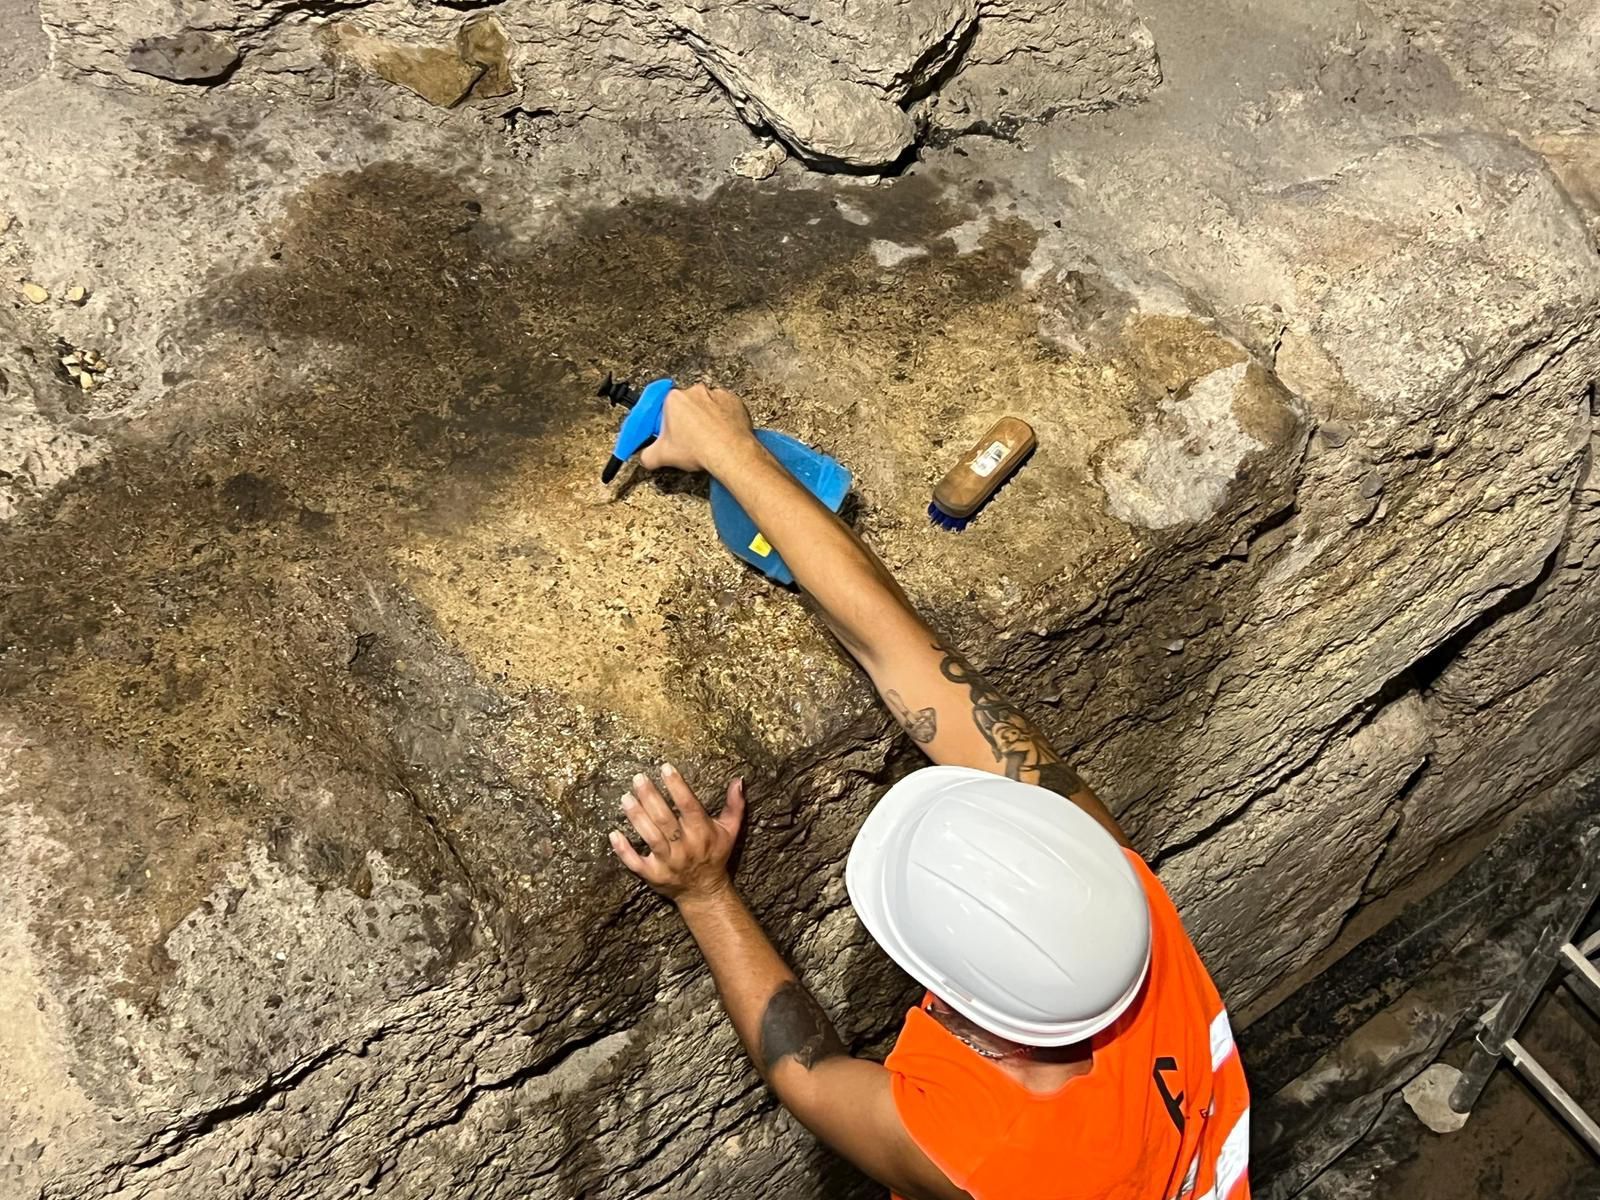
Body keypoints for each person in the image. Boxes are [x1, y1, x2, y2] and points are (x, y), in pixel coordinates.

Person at [608, 384, 1251, 1200]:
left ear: (958, 1003)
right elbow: (908, 661)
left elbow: (807, 1073)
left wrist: (703, 893)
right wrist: (736, 453)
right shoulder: (1124, 907)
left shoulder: (983, 1158)